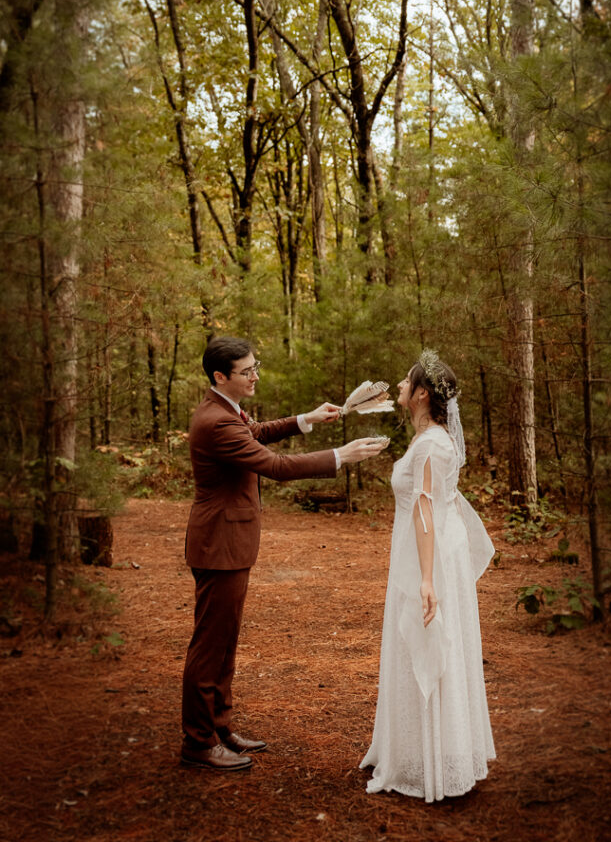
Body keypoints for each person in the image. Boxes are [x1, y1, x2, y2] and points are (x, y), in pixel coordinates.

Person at [181, 336, 387, 771]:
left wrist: (305, 419)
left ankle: (220, 728)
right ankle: (198, 743)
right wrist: (340, 456)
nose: (255, 375)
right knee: (210, 646)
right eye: (247, 371)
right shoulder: (215, 422)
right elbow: (274, 466)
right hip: (219, 544)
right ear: (221, 376)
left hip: (230, 542)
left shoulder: (225, 409)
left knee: (226, 643)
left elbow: (254, 433)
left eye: (257, 366)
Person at [360, 349, 496, 802]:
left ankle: (436, 760)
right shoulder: (430, 440)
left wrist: (426, 579)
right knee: (419, 643)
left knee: (427, 642)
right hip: (430, 551)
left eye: (405, 382)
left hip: (428, 556)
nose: (397, 385)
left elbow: (425, 511)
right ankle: (417, 749)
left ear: (421, 394)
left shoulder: (433, 444)